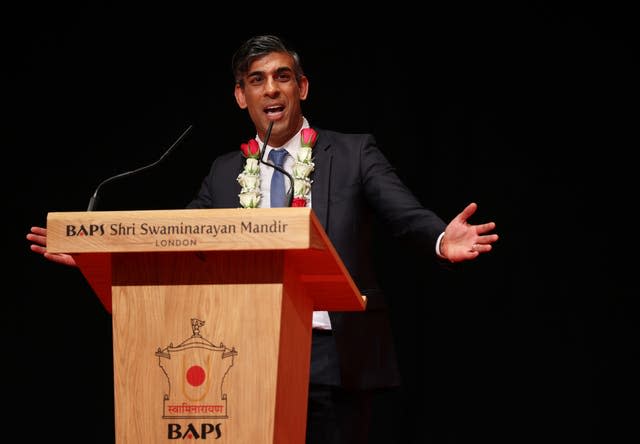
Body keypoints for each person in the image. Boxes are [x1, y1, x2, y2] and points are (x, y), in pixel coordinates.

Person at [27, 34, 498, 444]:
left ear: (302, 87)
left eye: (283, 76)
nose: (271, 88)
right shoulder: (225, 171)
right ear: (240, 95)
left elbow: (403, 212)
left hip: (334, 358)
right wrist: (97, 250)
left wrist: (441, 237)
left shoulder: (353, 153)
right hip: (246, 359)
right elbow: (175, 239)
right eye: (257, 79)